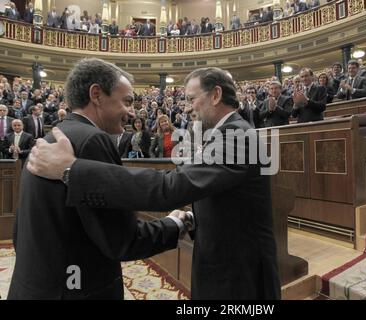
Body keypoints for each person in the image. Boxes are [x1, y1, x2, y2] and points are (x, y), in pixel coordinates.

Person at [27, 67, 281, 300]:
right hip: (223, 263)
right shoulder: (224, 134)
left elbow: (171, 187)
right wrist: (191, 220)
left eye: (192, 98)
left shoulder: (237, 136)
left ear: (215, 95)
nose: (187, 108)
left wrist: (74, 171)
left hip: (240, 275)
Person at [8, 58, 189, 300]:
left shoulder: (51, 138)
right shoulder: (93, 140)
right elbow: (122, 240)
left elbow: (20, 232)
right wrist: (175, 224)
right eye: (126, 101)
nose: (132, 112)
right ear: (97, 94)